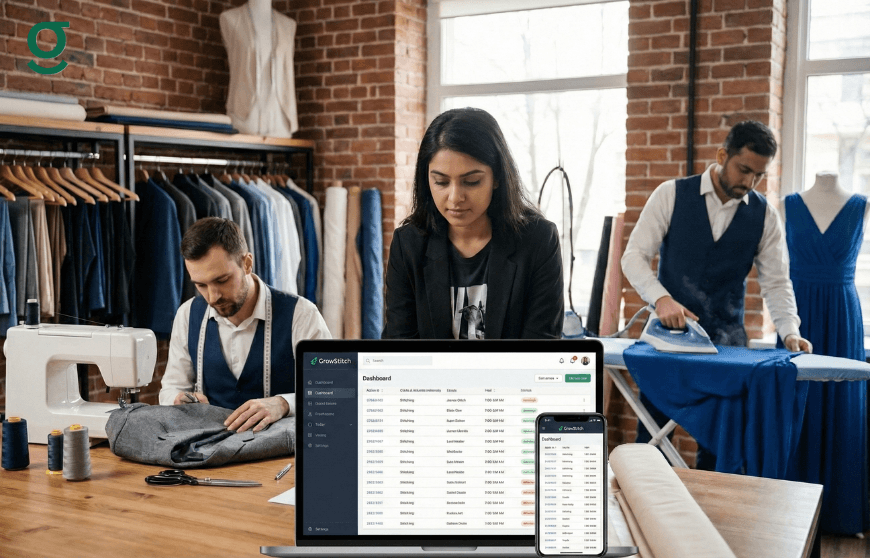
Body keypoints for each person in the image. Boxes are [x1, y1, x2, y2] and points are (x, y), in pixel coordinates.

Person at [621, 120, 811, 469]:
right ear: (723, 155)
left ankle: (713, 519)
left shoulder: (764, 216)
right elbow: (633, 257)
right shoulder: (671, 194)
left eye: (758, 175)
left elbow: (777, 282)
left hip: (728, 345)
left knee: (723, 444)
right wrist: (661, 299)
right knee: (651, 439)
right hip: (669, 343)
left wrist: (790, 331)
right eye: (744, 170)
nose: (750, 182)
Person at [382, 107, 564, 339]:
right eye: (441, 181)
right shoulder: (409, 244)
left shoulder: (538, 240)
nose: (455, 197)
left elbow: (541, 347)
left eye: (471, 181)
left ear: (497, 177)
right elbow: (400, 344)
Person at [159, 218, 330, 432]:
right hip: (209, 452)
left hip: (279, 455)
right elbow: (171, 388)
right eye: (201, 285)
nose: (212, 297)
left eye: (222, 280)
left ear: (247, 264)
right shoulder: (187, 314)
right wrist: (178, 399)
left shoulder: (301, 314)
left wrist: (284, 404)